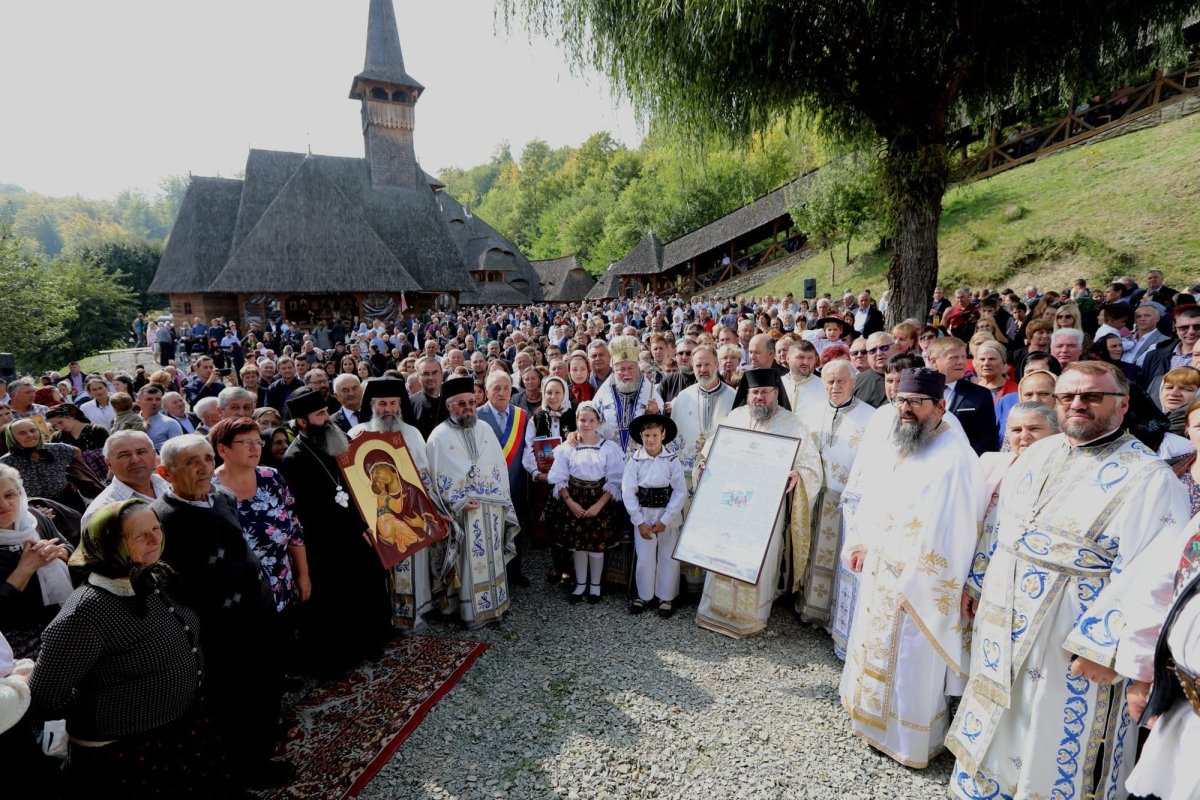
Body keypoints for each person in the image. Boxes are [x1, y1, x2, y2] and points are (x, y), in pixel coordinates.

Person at [947, 361, 1191, 800]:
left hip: (1071, 643)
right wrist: (978, 581)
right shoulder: (1039, 452)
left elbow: (1152, 575)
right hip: (1004, 622)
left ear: (1123, 404)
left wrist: (1108, 647)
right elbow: (1001, 525)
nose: (1077, 404)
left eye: (1092, 396)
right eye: (1067, 397)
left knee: (1052, 742)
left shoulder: (1149, 478)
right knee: (997, 725)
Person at [30, 499, 236, 797]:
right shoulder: (87, 611)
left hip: (178, 728)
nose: (155, 539)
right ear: (110, 543)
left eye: (157, 528)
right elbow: (46, 695)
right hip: (129, 750)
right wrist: (114, 706)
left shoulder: (150, 575)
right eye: (140, 535)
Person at [839, 367, 985, 767]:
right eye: (901, 401)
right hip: (881, 567)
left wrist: (913, 576)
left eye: (916, 403)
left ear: (940, 406)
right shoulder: (906, 442)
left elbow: (952, 533)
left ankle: (907, 742)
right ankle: (869, 722)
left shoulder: (954, 459)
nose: (906, 410)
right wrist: (863, 540)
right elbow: (878, 495)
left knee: (909, 660)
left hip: (917, 581)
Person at [151, 435, 288, 788]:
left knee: (266, 690)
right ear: (166, 472)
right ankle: (246, 770)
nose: (203, 468)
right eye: (191, 462)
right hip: (220, 631)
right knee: (234, 703)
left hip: (258, 613)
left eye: (207, 459)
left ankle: (262, 751)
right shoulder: (162, 520)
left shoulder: (223, 496)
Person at [694, 368, 821, 638]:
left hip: (766, 508)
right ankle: (714, 610)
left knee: (759, 557)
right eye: (755, 392)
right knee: (724, 550)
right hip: (730, 502)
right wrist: (705, 464)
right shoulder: (735, 417)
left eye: (765, 392)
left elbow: (811, 468)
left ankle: (751, 616)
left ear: (776, 393)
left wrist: (798, 474)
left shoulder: (793, 424)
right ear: (747, 394)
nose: (759, 397)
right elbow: (710, 451)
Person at [280, 387, 392, 674]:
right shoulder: (294, 459)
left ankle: (371, 641)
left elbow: (351, 484)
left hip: (355, 528)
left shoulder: (332, 439)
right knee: (338, 597)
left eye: (326, 411)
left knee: (368, 583)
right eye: (320, 414)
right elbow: (311, 509)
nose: (327, 418)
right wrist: (354, 526)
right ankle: (343, 656)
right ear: (302, 422)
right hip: (326, 541)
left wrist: (364, 522)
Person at [353, 377, 452, 637]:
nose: (388, 409)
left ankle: (412, 615)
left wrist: (435, 509)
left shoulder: (411, 433)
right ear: (372, 405)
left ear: (400, 405)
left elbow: (425, 476)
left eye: (393, 403)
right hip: (374, 519)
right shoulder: (357, 435)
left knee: (411, 565)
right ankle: (381, 619)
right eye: (382, 403)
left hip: (409, 514)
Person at [426, 377, 520, 627]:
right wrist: (457, 503)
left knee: (492, 558)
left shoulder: (485, 429)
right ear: (448, 406)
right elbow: (437, 478)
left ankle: (496, 607)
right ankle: (471, 613)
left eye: (471, 402)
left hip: (492, 510)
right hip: (463, 514)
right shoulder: (439, 437)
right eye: (461, 404)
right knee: (468, 563)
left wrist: (501, 500)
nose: (468, 407)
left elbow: (497, 467)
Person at [795, 359, 874, 649]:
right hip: (815, 496)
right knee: (813, 553)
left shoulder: (871, 418)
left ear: (853, 382)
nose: (835, 386)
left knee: (840, 560)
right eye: (829, 381)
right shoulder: (811, 414)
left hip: (848, 501)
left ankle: (836, 618)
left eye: (841, 381)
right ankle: (810, 609)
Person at [210, 418, 310, 614]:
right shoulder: (209, 489)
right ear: (223, 450)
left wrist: (303, 574)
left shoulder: (271, 477)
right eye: (246, 442)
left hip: (281, 588)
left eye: (258, 442)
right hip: (236, 600)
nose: (254, 448)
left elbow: (294, 528)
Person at [545, 401, 625, 604]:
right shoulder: (567, 448)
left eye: (591, 420)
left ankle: (595, 585)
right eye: (582, 420)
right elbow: (559, 478)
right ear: (576, 422)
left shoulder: (608, 447)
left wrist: (599, 505)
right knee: (578, 545)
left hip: (599, 501)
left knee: (596, 545)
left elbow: (615, 480)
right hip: (575, 500)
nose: (587, 424)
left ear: (598, 423)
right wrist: (570, 502)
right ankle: (580, 584)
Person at [0, 464, 72, 662]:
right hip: (19, 642)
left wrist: (57, 552)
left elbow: (69, 548)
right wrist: (26, 568)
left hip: (63, 618)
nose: (4, 505)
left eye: (9, 495)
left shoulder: (34, 519)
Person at [621, 414, 686, 617]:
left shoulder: (672, 460)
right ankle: (644, 594)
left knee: (668, 556)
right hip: (644, 514)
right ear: (640, 436)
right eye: (646, 435)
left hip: (668, 515)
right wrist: (638, 521)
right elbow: (628, 491)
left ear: (663, 435)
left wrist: (666, 520)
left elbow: (680, 491)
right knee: (645, 557)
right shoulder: (635, 460)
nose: (650, 439)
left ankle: (666, 597)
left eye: (655, 435)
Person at [476, 371, 531, 587]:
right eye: (496, 388)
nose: (502, 392)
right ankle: (494, 575)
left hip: (515, 486)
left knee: (514, 531)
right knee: (492, 534)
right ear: (487, 391)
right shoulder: (477, 416)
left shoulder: (522, 416)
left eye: (506, 388)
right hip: (488, 489)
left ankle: (515, 572)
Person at [524, 375, 576, 583]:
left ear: (564, 394)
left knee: (570, 523)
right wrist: (536, 473)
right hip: (546, 481)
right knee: (552, 524)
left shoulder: (575, 415)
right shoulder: (536, 417)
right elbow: (528, 448)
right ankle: (557, 564)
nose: (553, 396)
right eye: (549, 392)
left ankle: (570, 566)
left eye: (557, 392)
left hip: (570, 481)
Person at [1, 418, 98, 513]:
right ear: (12, 438)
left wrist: (72, 475)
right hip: (36, 509)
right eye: (22, 433)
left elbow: (76, 452)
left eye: (33, 430)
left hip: (69, 504)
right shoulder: (6, 462)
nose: (30, 435)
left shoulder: (58, 449)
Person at [592, 336, 663, 457]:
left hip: (643, 459)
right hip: (610, 460)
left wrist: (656, 414)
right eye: (621, 369)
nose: (627, 373)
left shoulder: (650, 393)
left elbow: (663, 430)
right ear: (613, 371)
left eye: (631, 368)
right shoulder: (602, 396)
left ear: (638, 368)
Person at [928, 336, 998, 455]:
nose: (961, 362)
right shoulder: (921, 391)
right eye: (953, 357)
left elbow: (987, 439)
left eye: (964, 357)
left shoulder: (981, 394)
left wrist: (962, 457)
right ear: (934, 361)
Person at [46, 403, 109, 479]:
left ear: (71, 416)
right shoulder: (57, 437)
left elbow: (109, 455)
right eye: (55, 425)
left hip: (105, 477)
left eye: (60, 422)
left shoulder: (97, 430)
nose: (59, 427)